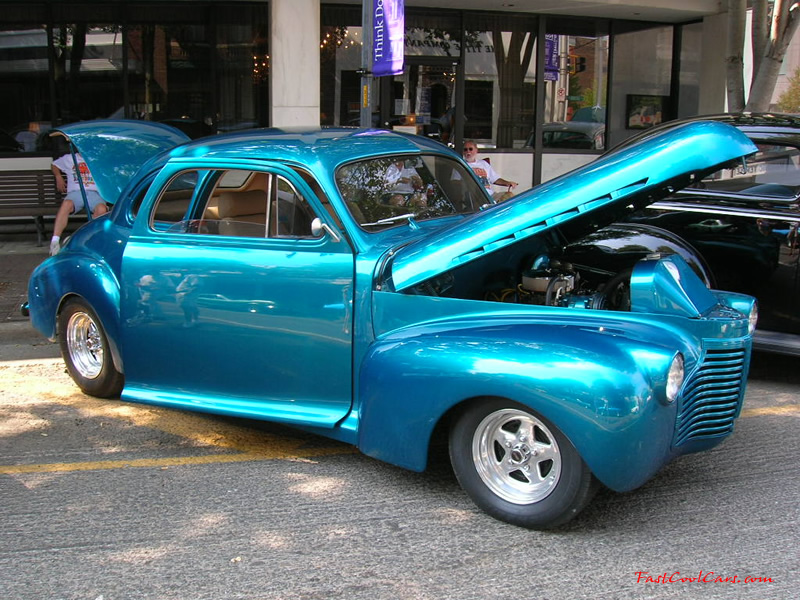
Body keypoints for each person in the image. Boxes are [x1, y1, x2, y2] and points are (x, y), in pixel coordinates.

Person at [50, 152, 107, 255]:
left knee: (102, 209)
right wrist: (58, 176)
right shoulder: (69, 158)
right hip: (76, 192)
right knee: (66, 204)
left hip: (94, 192)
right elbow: (54, 164)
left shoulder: (96, 158)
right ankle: (55, 241)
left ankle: (91, 239)